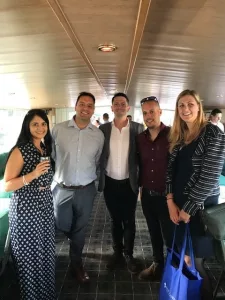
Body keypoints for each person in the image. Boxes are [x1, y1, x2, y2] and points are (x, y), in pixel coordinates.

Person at [166, 89, 225, 300]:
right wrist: (170, 200)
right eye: (181, 105)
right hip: (178, 205)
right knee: (185, 258)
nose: (185, 109)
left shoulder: (212, 133)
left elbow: (209, 176)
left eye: (190, 104)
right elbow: (170, 171)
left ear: (199, 107)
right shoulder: (179, 136)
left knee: (196, 261)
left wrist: (188, 209)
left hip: (199, 208)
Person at [52, 91, 104, 284]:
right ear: (75, 106)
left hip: (86, 190)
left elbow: (97, 161)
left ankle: (76, 263)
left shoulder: (98, 135)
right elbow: (52, 156)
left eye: (90, 105)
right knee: (61, 224)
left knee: (80, 229)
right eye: (82, 104)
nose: (85, 108)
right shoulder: (58, 129)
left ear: (93, 110)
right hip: (62, 188)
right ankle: (64, 251)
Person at [4, 109, 55, 299]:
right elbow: (7, 185)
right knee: (30, 256)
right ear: (27, 126)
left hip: (44, 207)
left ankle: (45, 294)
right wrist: (32, 175)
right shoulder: (20, 150)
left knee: (44, 251)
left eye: (43, 124)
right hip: (26, 211)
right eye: (35, 124)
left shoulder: (44, 147)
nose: (40, 128)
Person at [98, 92, 144, 274]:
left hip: (129, 183)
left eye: (122, 103)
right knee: (115, 220)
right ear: (112, 108)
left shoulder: (138, 129)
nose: (119, 106)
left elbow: (143, 157)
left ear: (128, 107)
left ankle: (129, 255)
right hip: (109, 182)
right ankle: (117, 253)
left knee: (129, 220)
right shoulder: (103, 130)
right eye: (116, 103)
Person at [136, 96, 172, 281]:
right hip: (148, 196)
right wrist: (141, 189)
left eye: (152, 111)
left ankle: (174, 270)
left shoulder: (173, 135)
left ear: (160, 112)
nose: (148, 116)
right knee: (153, 232)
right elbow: (140, 166)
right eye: (145, 113)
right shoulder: (140, 138)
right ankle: (157, 263)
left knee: (171, 235)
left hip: (168, 198)